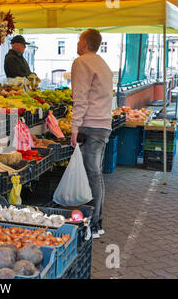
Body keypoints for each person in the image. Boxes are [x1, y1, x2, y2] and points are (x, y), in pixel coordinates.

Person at [70, 29, 113, 240]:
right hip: (104, 125)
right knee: (96, 174)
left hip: (91, 126)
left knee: (93, 174)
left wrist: (74, 127)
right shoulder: (102, 63)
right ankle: (97, 222)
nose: (77, 44)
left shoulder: (82, 62)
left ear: (85, 42)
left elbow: (80, 97)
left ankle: (93, 224)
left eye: (79, 40)